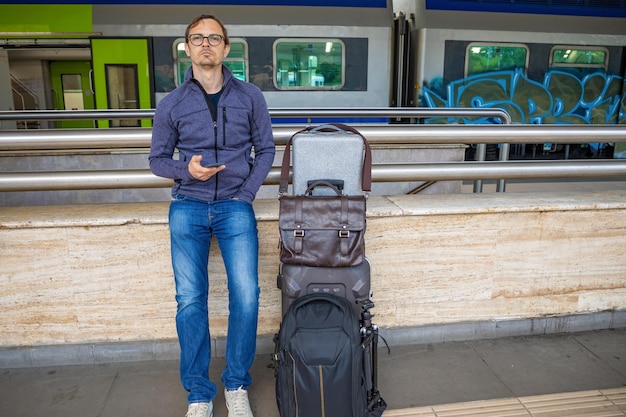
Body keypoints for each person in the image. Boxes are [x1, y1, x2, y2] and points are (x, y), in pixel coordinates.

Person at [149, 13, 275, 417]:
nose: (206, 44)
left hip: (235, 207)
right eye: (197, 38)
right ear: (186, 47)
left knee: (247, 295)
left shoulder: (250, 96)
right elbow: (156, 160)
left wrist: (246, 194)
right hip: (187, 206)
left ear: (225, 47)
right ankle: (199, 394)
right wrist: (186, 170)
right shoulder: (172, 103)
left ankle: (236, 384)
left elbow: (267, 150)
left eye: (214, 38)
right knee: (190, 300)